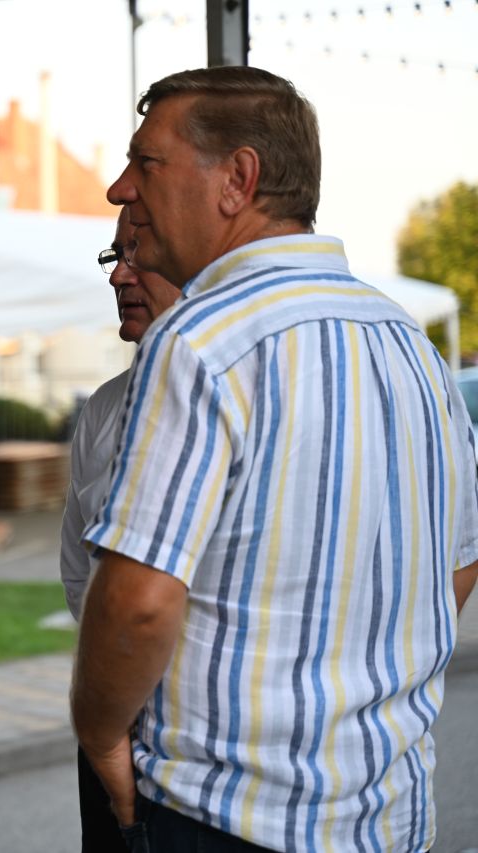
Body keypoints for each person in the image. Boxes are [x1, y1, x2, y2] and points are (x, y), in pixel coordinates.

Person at [71, 65, 478, 852]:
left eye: (145, 161)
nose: (122, 189)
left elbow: (138, 604)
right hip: (387, 815)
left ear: (238, 179)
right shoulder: (410, 344)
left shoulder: (200, 341)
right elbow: (457, 562)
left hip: (224, 814)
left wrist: (100, 733)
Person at [60, 208, 183, 852]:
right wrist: (108, 732)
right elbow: (80, 575)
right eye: (115, 256)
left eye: (138, 253)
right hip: (117, 739)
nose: (118, 277)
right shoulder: (105, 409)